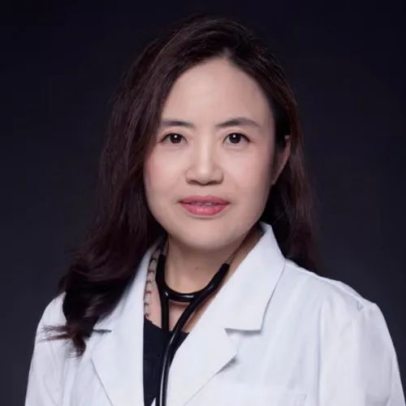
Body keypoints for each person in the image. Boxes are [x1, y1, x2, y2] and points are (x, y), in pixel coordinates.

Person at [25, 12, 405, 406]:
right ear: (137, 151)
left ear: (279, 157)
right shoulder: (69, 321)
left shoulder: (339, 326)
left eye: (235, 138)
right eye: (174, 137)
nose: (204, 171)